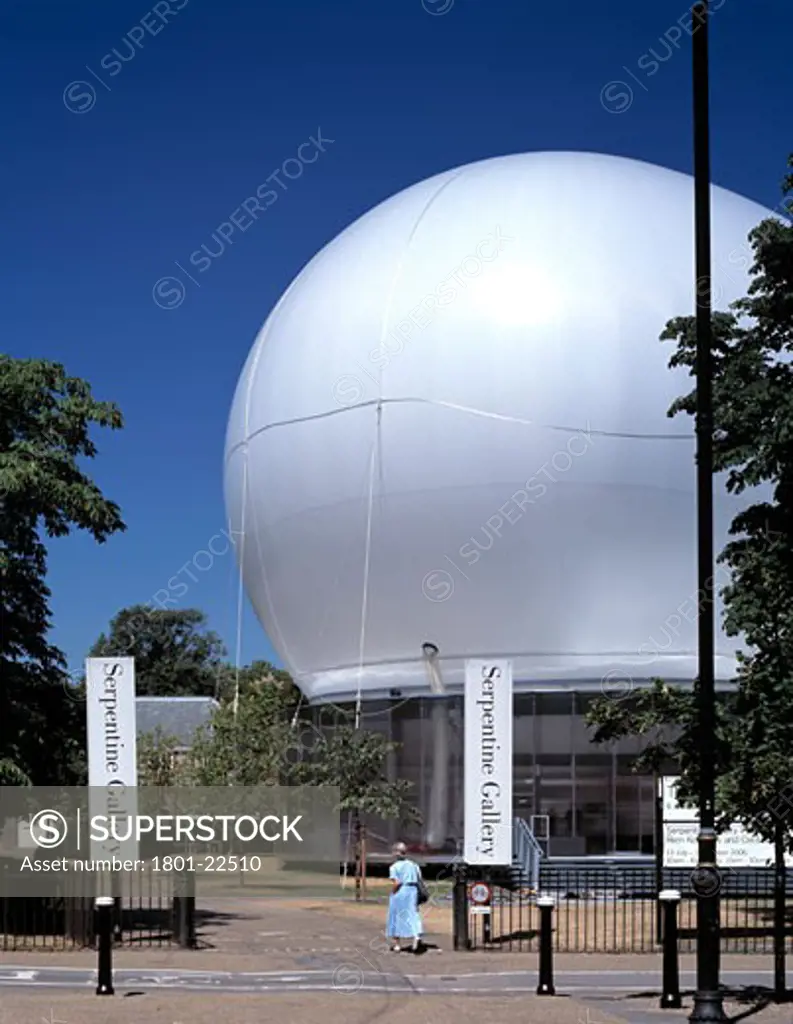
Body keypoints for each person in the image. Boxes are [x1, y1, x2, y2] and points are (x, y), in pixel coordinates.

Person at [386, 841, 423, 952]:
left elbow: (397, 882)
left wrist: (392, 892)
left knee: (396, 915)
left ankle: (397, 944)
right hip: (413, 890)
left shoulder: (394, 867)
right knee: (413, 913)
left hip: (401, 891)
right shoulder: (413, 865)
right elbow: (419, 878)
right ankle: (416, 934)